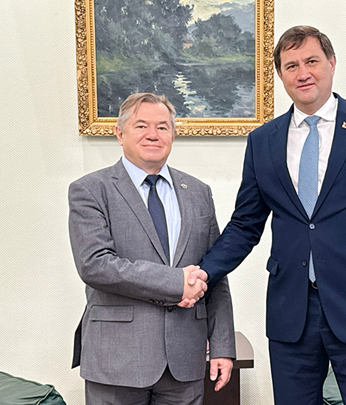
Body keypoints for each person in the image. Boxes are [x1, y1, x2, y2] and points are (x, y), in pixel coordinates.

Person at [190, 26, 346, 404]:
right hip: (291, 312)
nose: (303, 73)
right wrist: (204, 272)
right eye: (291, 66)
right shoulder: (262, 141)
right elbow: (245, 225)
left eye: (311, 61)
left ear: (331, 63)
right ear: (280, 75)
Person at [68, 93, 235, 405]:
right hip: (116, 361)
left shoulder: (198, 192)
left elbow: (215, 273)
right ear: (120, 134)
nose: (153, 134)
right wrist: (176, 283)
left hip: (185, 360)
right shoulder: (90, 190)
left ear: (173, 134)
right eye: (141, 125)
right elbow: (95, 264)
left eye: (162, 127)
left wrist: (223, 347)